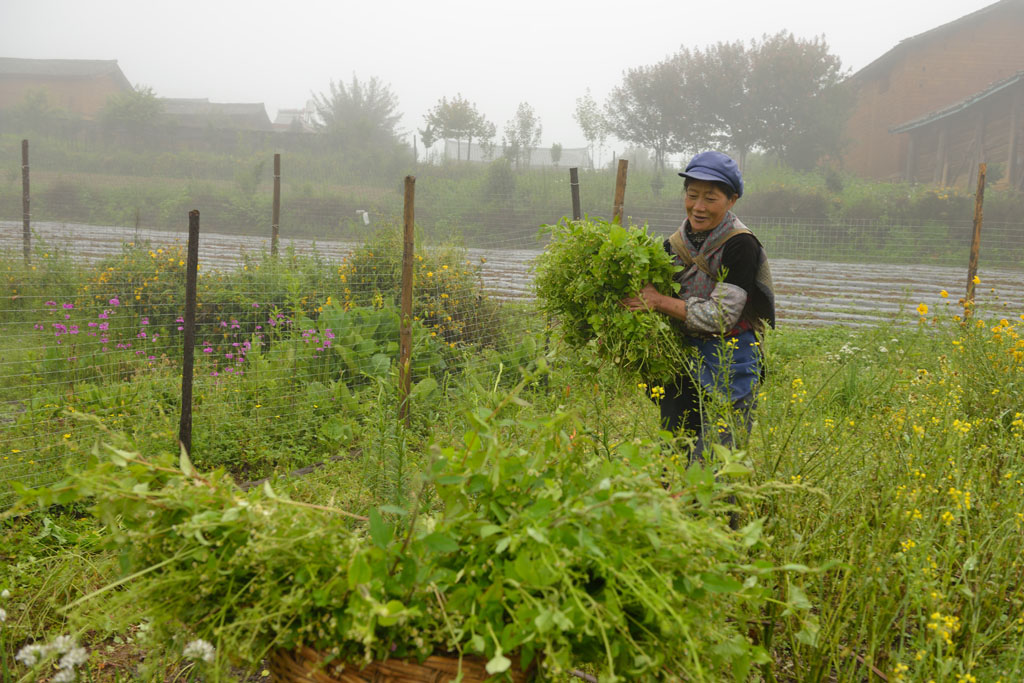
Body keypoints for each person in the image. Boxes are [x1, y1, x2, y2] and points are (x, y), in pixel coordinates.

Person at [622, 151, 775, 462]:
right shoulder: (673, 245)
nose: (699, 206)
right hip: (683, 363)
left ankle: (719, 512)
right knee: (675, 455)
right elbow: (645, 305)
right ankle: (673, 509)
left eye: (711, 198)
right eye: (692, 195)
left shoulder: (740, 245)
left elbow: (721, 317)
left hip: (729, 363)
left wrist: (659, 301)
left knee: (717, 463)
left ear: (732, 200)